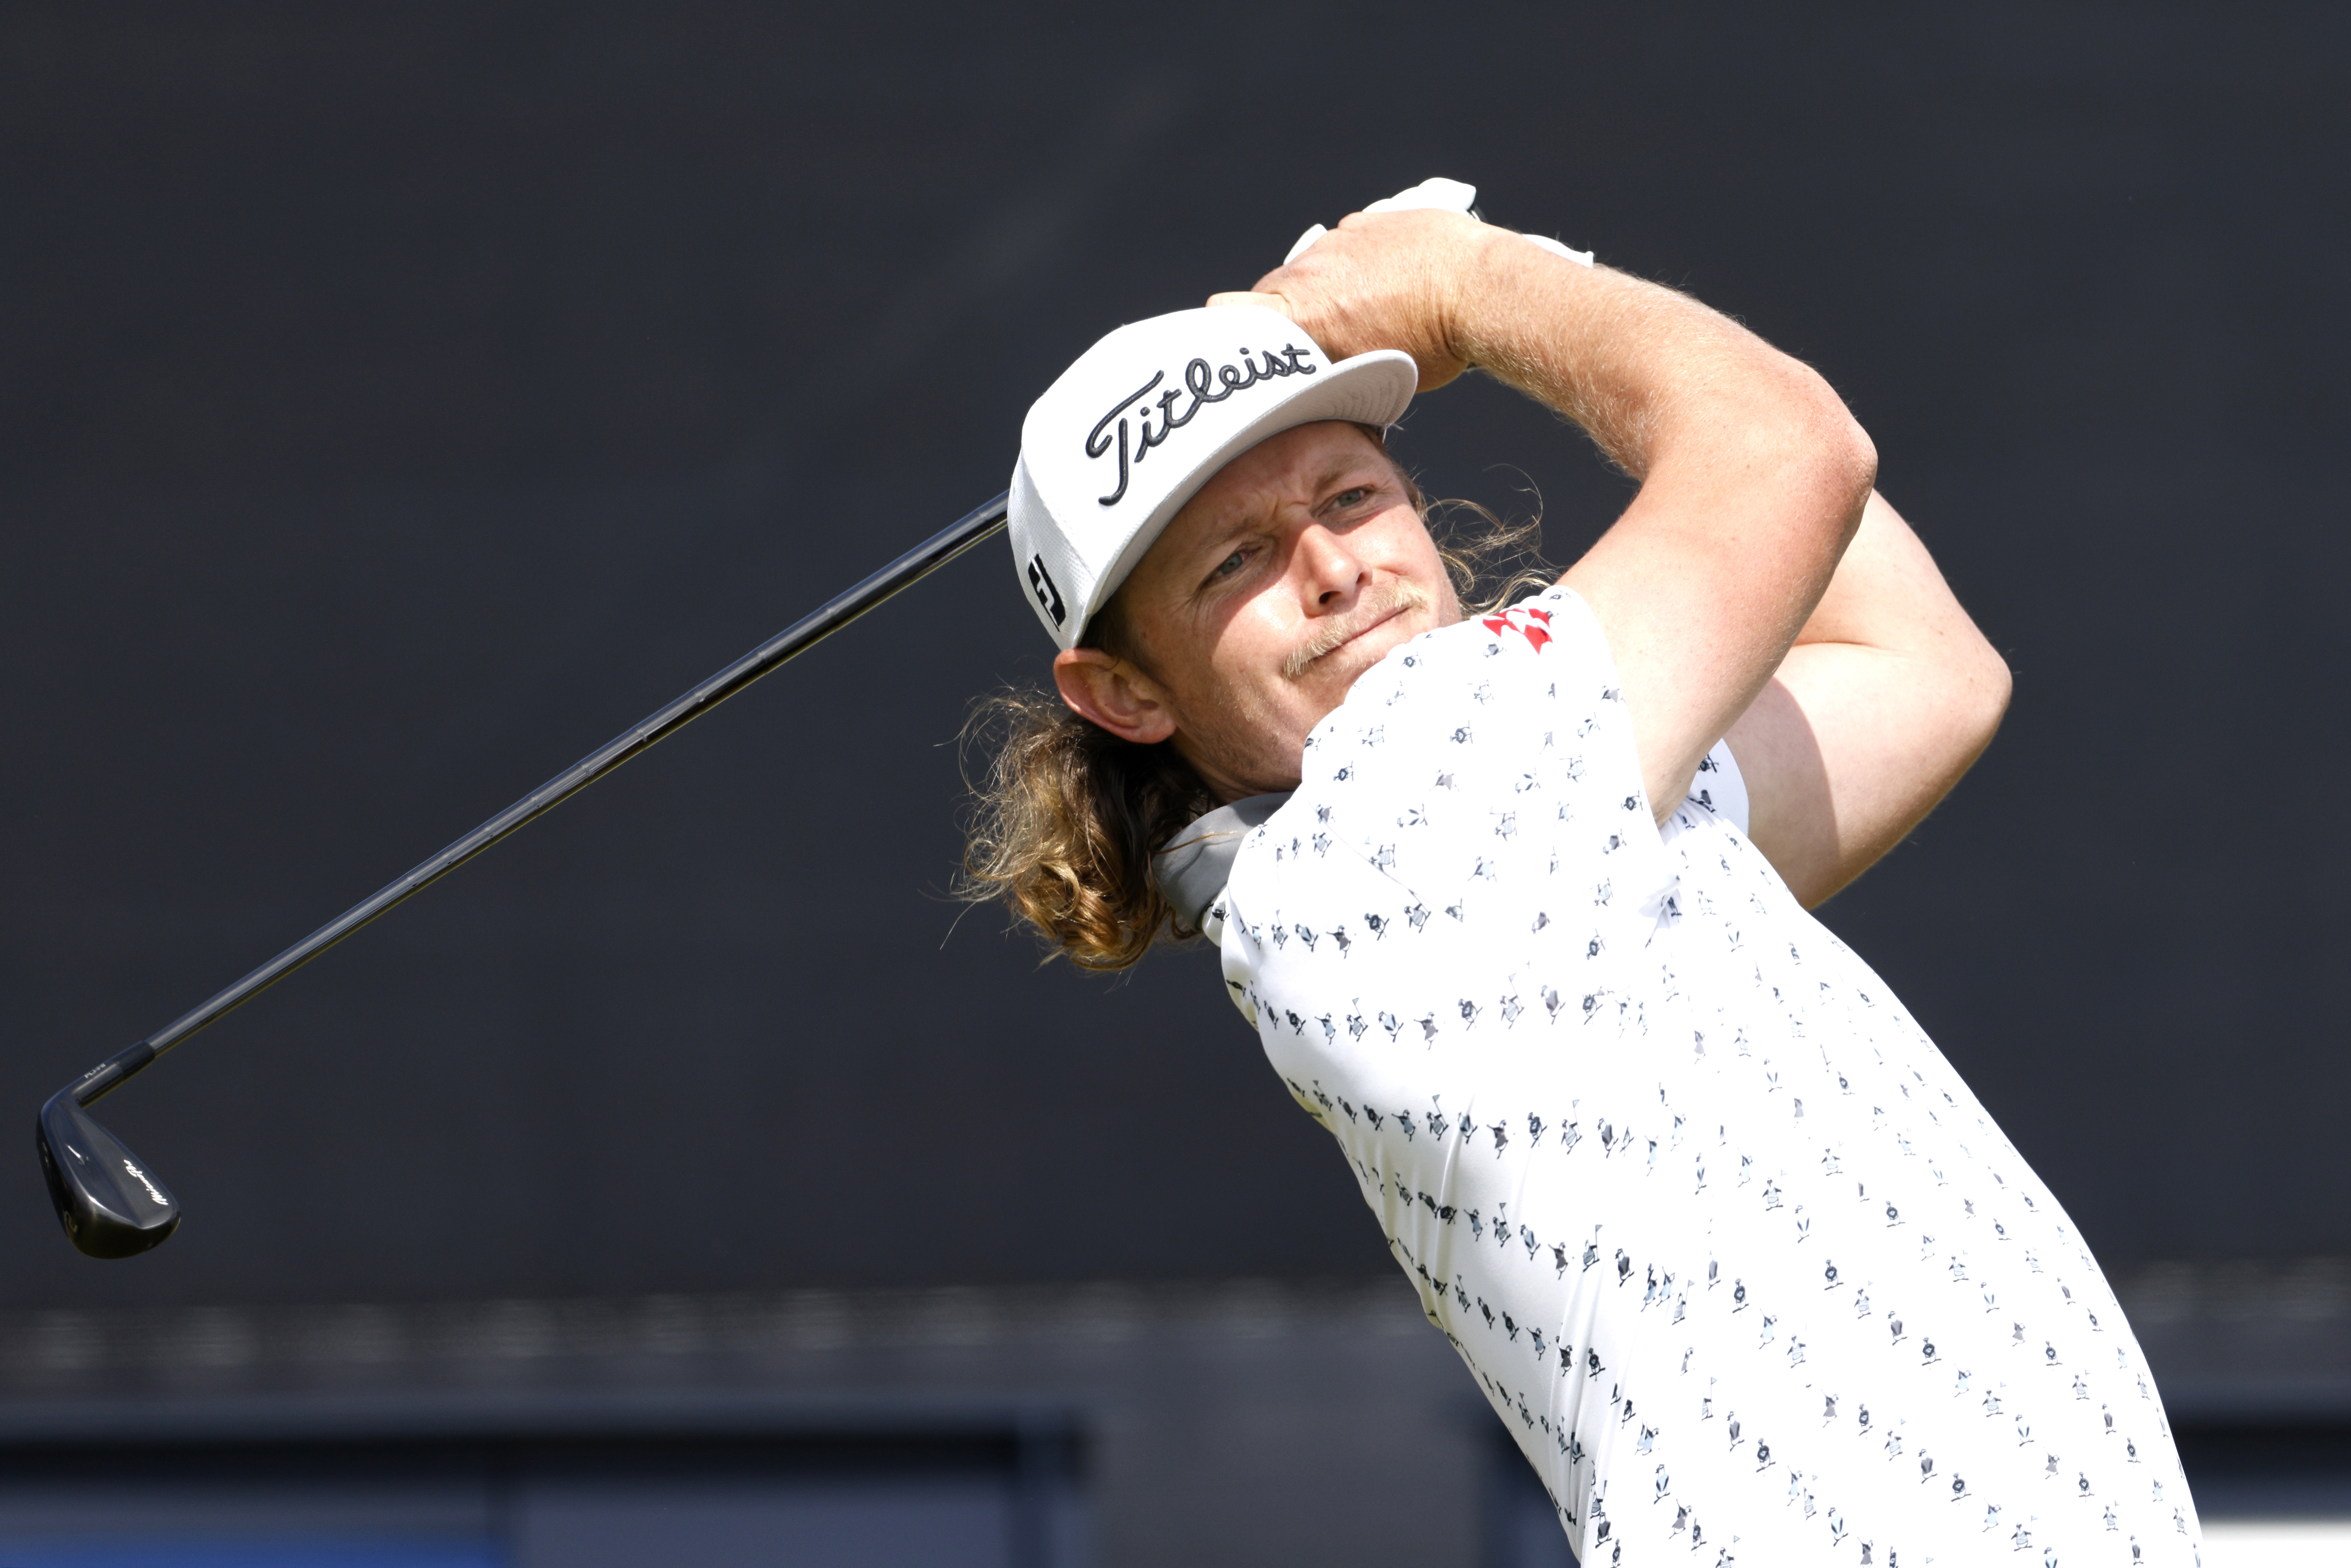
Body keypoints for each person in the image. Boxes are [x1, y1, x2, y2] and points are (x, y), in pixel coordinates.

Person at [965, 183, 2197, 1565]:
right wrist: (1468, 287)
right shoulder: (1401, 816)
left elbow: (1925, 667)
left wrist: (1513, 285)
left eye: (1354, 495)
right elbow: (1795, 447)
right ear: (1125, 694)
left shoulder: (1545, 810)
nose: (1332, 569)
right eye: (1234, 562)